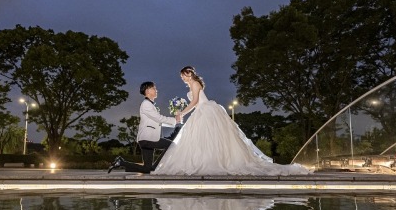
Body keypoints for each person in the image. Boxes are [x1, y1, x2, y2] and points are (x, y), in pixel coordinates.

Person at [154, 66, 309, 176]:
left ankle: (212, 163)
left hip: (205, 111)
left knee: (207, 138)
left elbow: (195, 102)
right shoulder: (192, 85)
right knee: (203, 140)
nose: (182, 78)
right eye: (182, 76)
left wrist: (182, 112)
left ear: (189, 74)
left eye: (184, 75)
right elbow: (195, 103)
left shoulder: (194, 83)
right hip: (202, 112)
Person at [108, 81, 181, 173]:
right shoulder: (146, 104)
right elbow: (158, 118)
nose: (156, 90)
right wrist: (174, 120)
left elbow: (157, 121)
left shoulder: (149, 105)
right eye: (154, 88)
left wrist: (175, 122)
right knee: (172, 145)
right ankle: (157, 167)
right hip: (148, 139)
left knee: (147, 169)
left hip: (146, 140)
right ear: (147, 91)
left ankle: (121, 163)